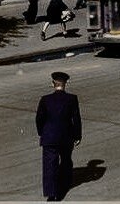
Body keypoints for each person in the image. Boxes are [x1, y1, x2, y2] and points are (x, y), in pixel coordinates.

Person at [36, 71, 82, 201]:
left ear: (53, 84)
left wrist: (42, 132)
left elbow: (39, 118)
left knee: (49, 165)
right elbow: (76, 119)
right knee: (66, 160)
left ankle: (51, 194)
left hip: (49, 137)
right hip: (66, 137)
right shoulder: (72, 99)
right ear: (65, 84)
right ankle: (64, 185)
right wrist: (78, 136)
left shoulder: (45, 100)